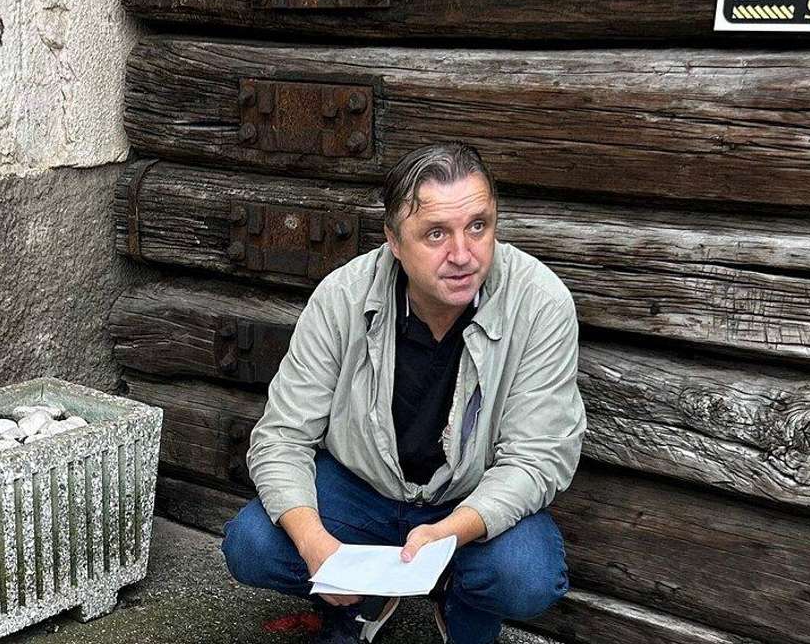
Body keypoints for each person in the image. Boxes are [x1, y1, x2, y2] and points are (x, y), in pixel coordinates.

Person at [220, 142, 585, 644]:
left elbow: (538, 456)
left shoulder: (541, 304)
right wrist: (316, 544)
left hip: (467, 500)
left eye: (478, 226)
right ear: (393, 240)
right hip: (361, 492)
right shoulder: (342, 296)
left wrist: (452, 531)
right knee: (253, 545)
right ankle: (360, 599)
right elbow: (282, 437)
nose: (462, 255)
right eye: (436, 233)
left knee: (526, 574)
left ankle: (459, 601)